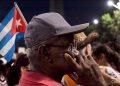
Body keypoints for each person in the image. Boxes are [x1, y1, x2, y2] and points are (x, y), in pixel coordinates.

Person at [18, 12, 106, 86]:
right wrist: (97, 83)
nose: (75, 53)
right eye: (69, 46)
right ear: (46, 53)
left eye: (75, 45)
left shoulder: (29, 78)